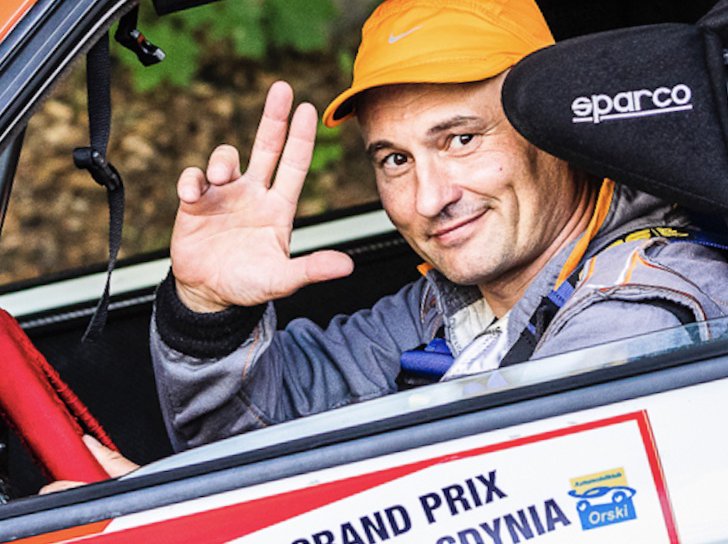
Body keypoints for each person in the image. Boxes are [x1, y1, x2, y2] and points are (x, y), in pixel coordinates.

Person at [148, 0, 728, 453]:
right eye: (396, 159)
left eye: (461, 139)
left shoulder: (639, 314)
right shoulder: (455, 304)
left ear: (553, 133)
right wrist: (208, 310)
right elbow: (252, 437)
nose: (429, 200)